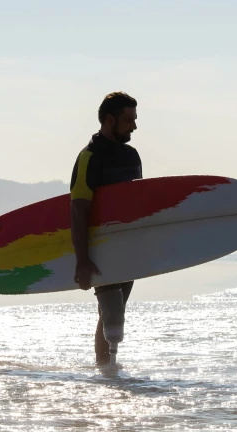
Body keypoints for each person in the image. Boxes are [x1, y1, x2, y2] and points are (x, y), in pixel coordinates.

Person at [70, 92, 141, 366]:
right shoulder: (90, 156)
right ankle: (109, 377)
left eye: (135, 119)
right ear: (109, 120)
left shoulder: (132, 156)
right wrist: (83, 260)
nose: (134, 126)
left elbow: (137, 205)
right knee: (113, 316)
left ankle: (105, 371)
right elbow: (78, 210)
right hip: (102, 246)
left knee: (114, 313)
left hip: (128, 248)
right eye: (128, 120)